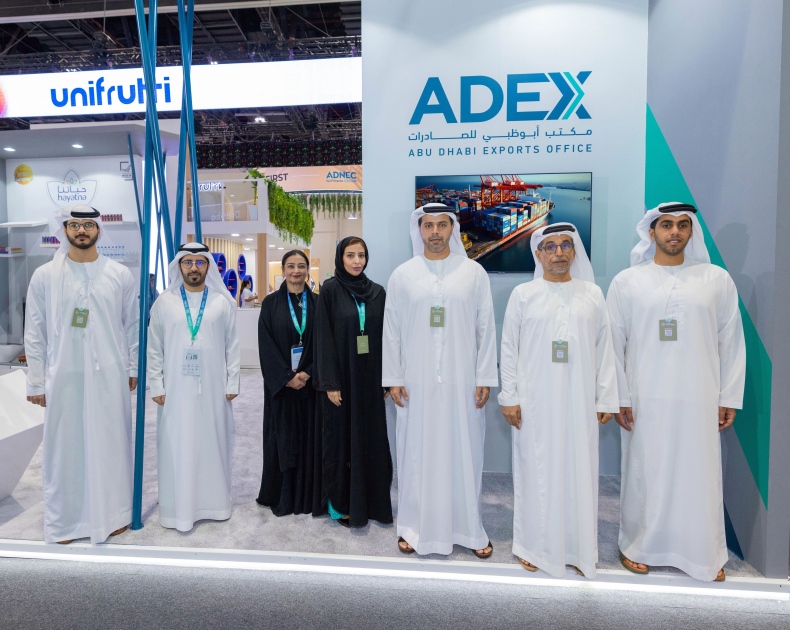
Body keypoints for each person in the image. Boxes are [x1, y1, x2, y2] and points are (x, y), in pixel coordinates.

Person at [607, 202, 746, 582]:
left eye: (683, 225)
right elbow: (613, 344)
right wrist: (619, 396)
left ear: (691, 232)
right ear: (651, 232)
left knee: (699, 473)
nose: (675, 232)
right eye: (666, 225)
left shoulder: (716, 279)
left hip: (699, 396)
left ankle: (703, 553)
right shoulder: (627, 282)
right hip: (645, 397)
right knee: (645, 471)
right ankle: (638, 546)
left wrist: (728, 397)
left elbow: (731, 341)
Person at [498, 223, 619, 578]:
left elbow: (605, 349)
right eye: (550, 247)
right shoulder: (523, 294)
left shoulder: (592, 294)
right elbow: (509, 348)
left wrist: (605, 398)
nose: (559, 253)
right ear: (538, 255)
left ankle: (579, 549)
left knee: (580, 470)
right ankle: (534, 547)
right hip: (534, 401)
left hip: (580, 401)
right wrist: (509, 396)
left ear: (575, 252)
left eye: (566, 245)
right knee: (536, 470)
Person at [382, 203, 498, 557]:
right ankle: (414, 527)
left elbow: (485, 327)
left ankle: (469, 529)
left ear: (452, 229)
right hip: (415, 381)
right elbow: (392, 330)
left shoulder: (474, 273)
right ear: (419, 230)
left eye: (442, 225)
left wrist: (484, 376)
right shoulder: (403, 275)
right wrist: (394, 378)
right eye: (428, 225)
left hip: (463, 381)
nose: (435, 232)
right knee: (416, 452)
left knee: (465, 450)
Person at [24, 205, 139, 544]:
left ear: (99, 230)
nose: (82, 230)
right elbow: (35, 331)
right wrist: (36, 380)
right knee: (66, 447)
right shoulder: (45, 275)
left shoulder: (119, 273)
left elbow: (132, 325)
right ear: (65, 230)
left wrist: (133, 367)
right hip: (64, 375)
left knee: (111, 443)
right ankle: (67, 522)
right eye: (74, 225)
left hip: (110, 374)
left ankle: (114, 515)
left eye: (88, 224)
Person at [147, 242, 240, 532]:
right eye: (188, 262)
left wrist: (233, 381)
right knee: (177, 444)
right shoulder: (165, 302)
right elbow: (154, 347)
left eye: (200, 262)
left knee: (213, 441)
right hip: (174, 391)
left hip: (214, 388)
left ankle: (214, 504)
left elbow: (232, 345)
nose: (194, 268)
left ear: (208, 266)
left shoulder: (221, 302)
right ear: (179, 266)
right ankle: (178, 509)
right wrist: (156, 384)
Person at [313, 237, 393, 528]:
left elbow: (387, 338)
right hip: (342, 380)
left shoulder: (378, 293)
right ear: (340, 258)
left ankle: (372, 502)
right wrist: (330, 383)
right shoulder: (330, 290)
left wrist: (387, 381)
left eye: (361, 255)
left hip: (370, 380)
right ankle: (343, 503)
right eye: (350, 255)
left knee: (371, 439)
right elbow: (323, 337)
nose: (357, 261)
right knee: (342, 439)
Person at [256, 250, 323, 517]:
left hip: (310, 386)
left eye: (301, 266)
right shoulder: (270, 303)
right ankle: (280, 495)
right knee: (280, 438)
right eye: (291, 266)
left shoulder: (318, 303)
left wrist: (307, 373)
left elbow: (325, 343)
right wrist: (287, 377)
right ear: (283, 269)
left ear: (308, 270)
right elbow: (266, 345)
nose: (296, 271)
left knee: (310, 439)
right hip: (281, 389)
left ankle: (308, 497)